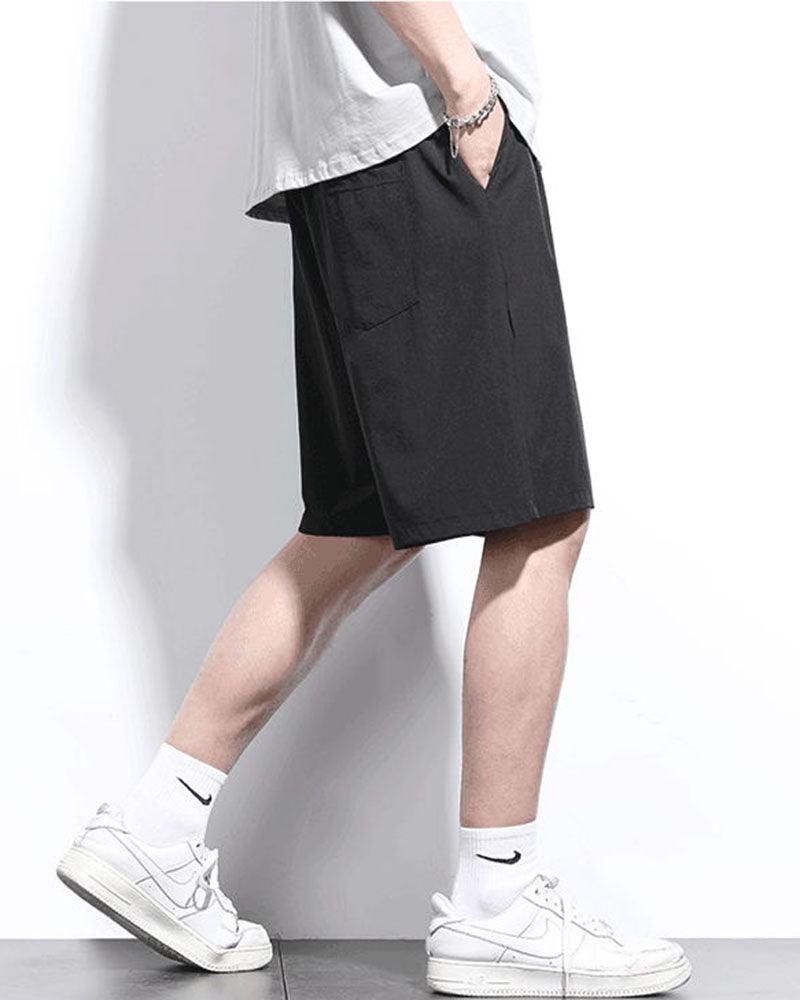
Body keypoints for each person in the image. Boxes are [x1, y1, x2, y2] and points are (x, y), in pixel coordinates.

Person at [57, 3, 690, 995]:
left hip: (355, 153)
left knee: (360, 523)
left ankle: (157, 826)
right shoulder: (448, 108)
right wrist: (466, 88)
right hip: (425, 133)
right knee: (538, 516)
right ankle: (498, 905)